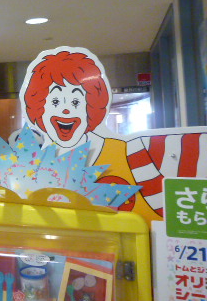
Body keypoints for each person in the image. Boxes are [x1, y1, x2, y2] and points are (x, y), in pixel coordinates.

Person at [21, 47, 207, 224]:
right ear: (39, 107)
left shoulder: (139, 152)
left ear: (91, 107)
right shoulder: (26, 172)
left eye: (76, 101)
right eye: (55, 101)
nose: (66, 109)